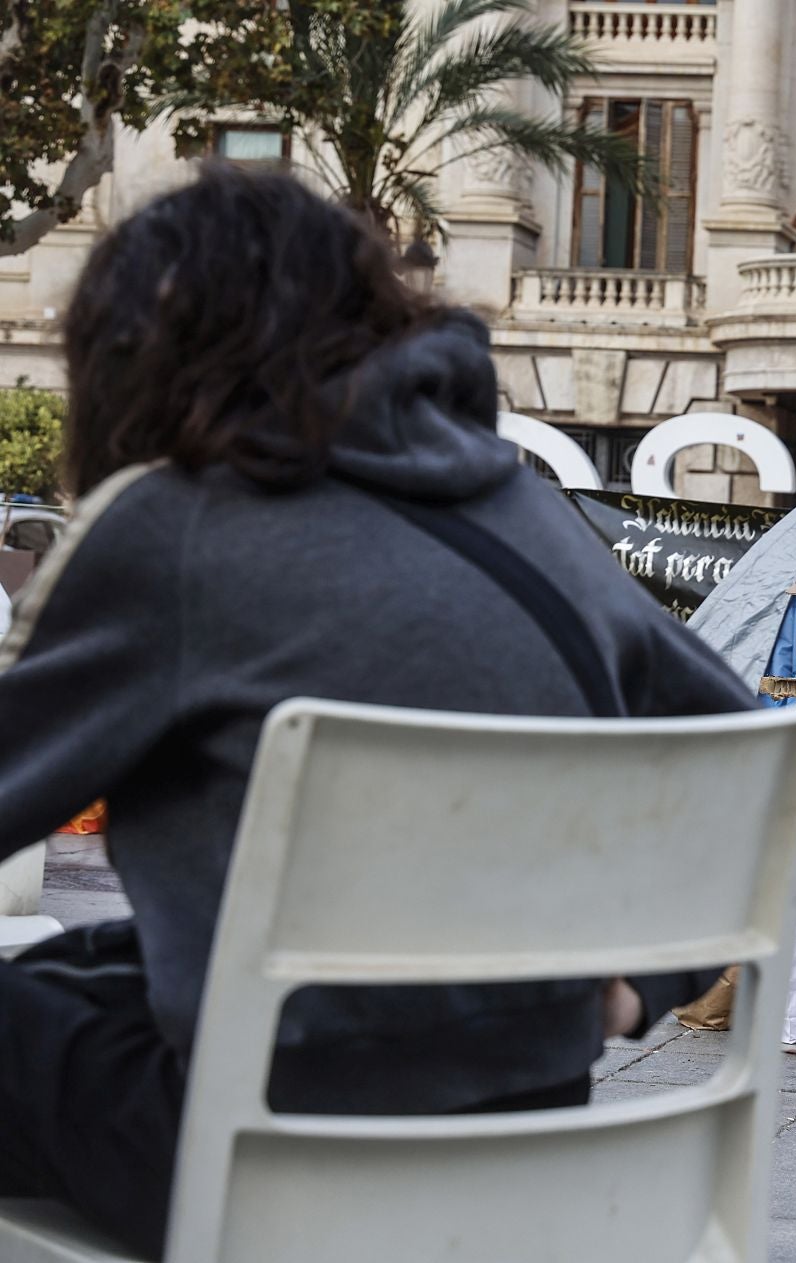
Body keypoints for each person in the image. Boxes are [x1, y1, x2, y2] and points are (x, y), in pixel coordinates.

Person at [0, 166, 754, 1257]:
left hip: (255, 1158)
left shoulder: (173, 529)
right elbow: (754, 762)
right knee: (83, 971)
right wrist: (639, 991)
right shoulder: (527, 512)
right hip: (528, 1148)